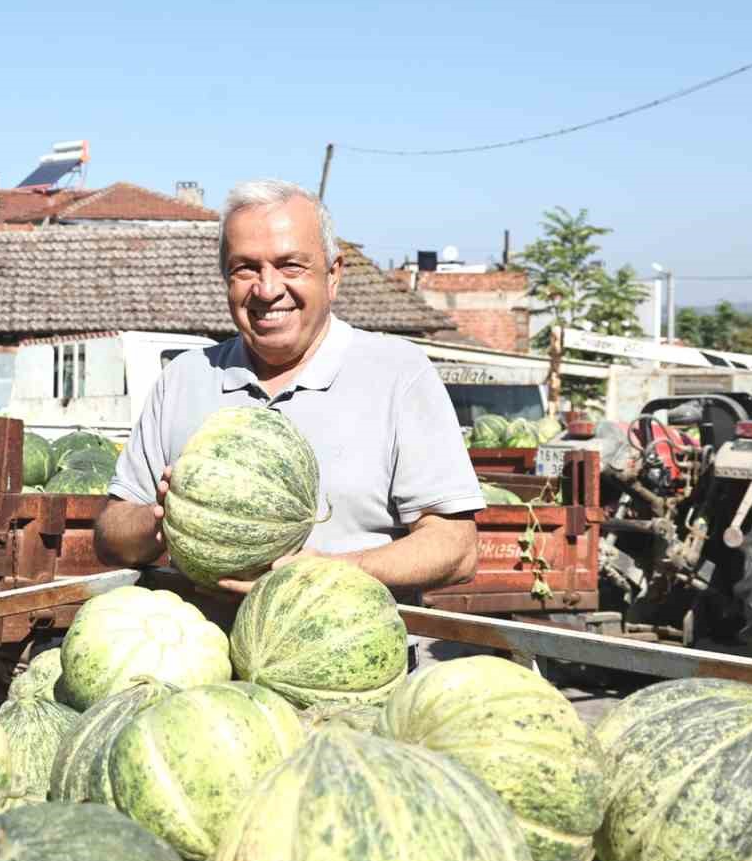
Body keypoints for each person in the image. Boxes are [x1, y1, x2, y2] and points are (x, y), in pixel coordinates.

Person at [94, 178, 483, 596]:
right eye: (246, 268)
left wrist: (331, 571)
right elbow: (110, 536)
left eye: (290, 265)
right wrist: (162, 514)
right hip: (209, 656)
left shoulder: (398, 375)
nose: (267, 289)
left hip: (348, 652)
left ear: (333, 276)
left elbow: (456, 548)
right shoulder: (183, 378)